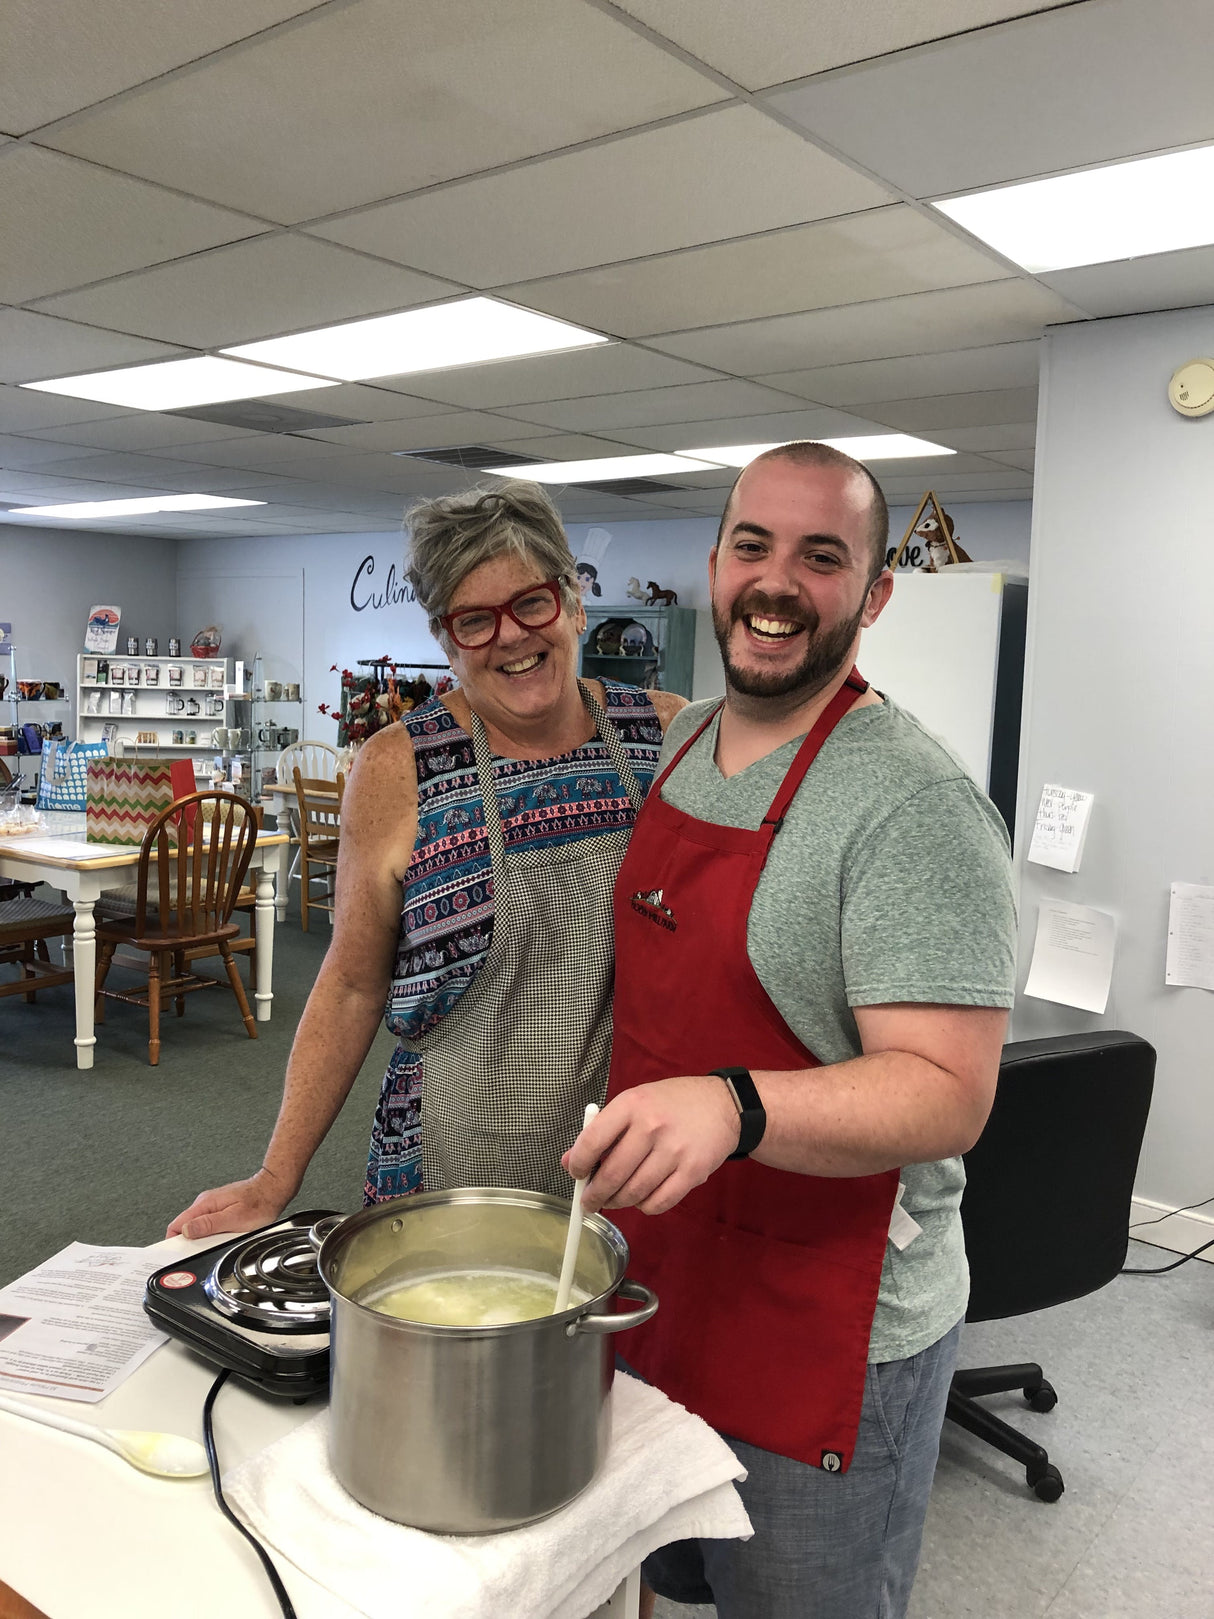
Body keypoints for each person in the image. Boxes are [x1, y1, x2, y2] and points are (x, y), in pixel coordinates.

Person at [566, 442, 1017, 1619]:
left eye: (821, 557)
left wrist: (734, 1102)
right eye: (753, 546)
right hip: (663, 1272)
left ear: (870, 594)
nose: (776, 582)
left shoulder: (910, 803)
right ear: (713, 564)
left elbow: (945, 1092)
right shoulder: (681, 740)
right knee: (662, 1573)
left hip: (826, 1322)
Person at [169, 482, 684, 1241]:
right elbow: (350, 984)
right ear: (447, 640)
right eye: (475, 619)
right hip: (448, 1160)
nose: (510, 636)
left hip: (627, 1165)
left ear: (574, 603)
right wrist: (274, 1178)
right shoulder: (398, 769)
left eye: (531, 603)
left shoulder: (665, 736)